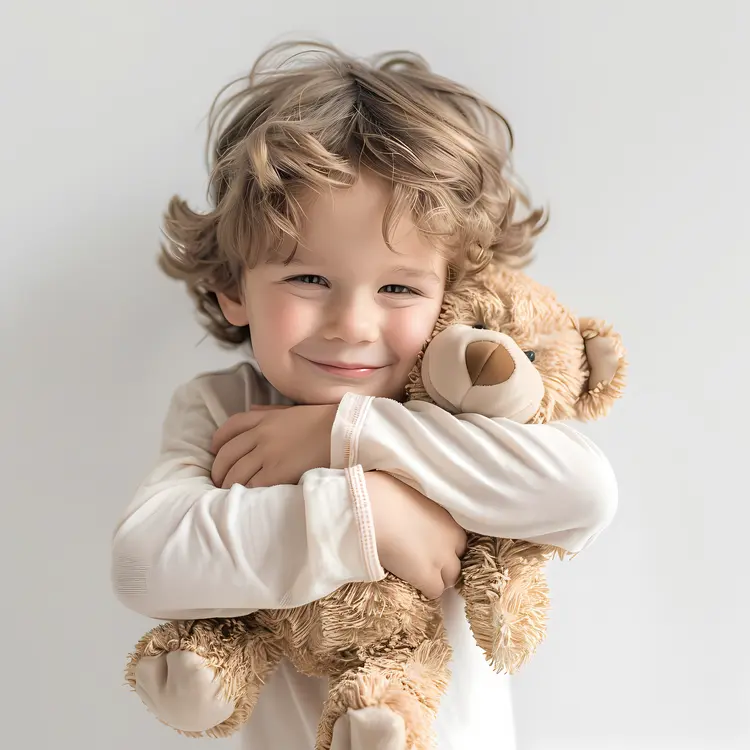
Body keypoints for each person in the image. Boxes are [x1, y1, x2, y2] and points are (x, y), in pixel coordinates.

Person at [111, 41, 618, 750]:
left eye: (399, 288)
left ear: (454, 294)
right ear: (233, 287)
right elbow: (143, 564)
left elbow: (585, 495)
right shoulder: (224, 408)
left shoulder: (463, 405)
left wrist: (347, 435)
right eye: (309, 279)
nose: (353, 325)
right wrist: (368, 517)